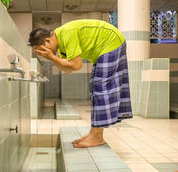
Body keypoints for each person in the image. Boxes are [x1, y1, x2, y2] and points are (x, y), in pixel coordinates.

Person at [28, 19, 132, 148]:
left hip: (111, 41)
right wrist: (53, 58)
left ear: (47, 42)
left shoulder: (67, 33)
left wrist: (52, 57)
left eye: (41, 50)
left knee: (100, 86)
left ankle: (97, 135)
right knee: (95, 87)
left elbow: (76, 66)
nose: (43, 55)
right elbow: (69, 70)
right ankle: (94, 132)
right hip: (104, 48)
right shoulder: (61, 47)